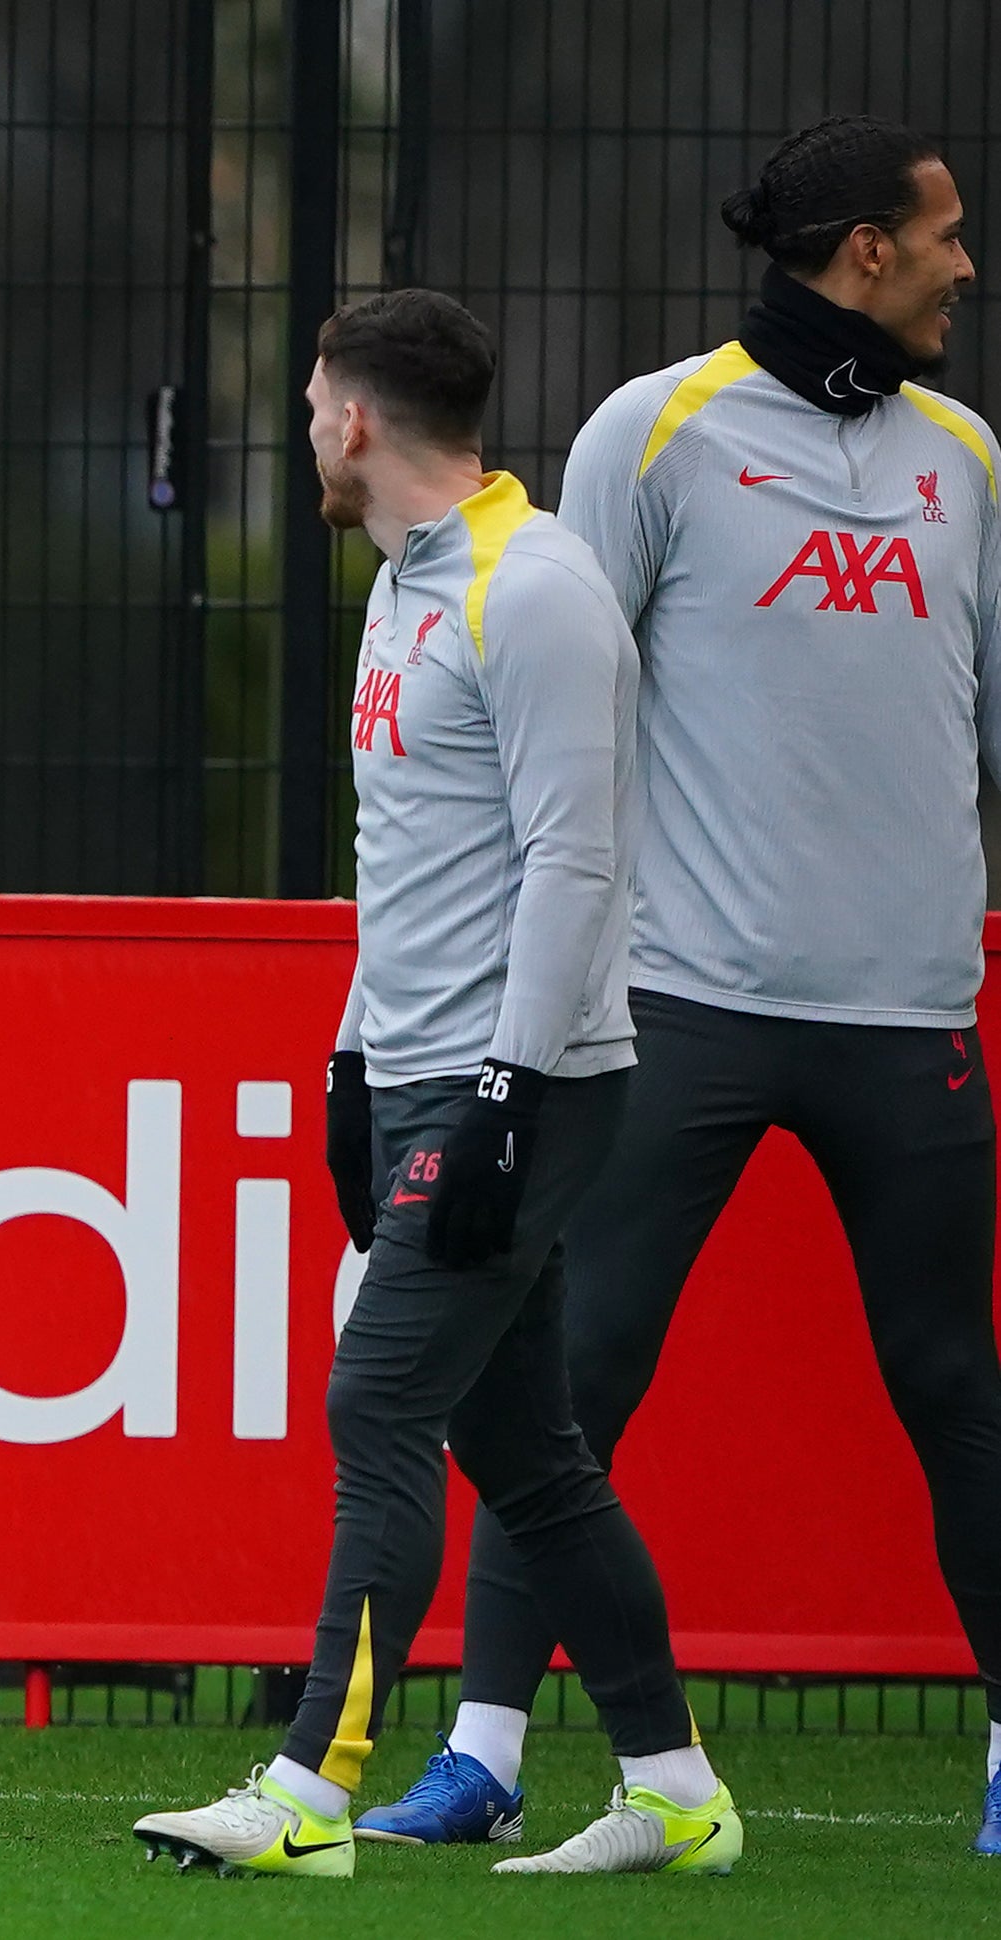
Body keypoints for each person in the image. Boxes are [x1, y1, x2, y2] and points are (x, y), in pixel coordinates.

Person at [370, 116, 1001, 1859]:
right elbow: (561, 709)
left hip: (912, 1022)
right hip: (681, 1011)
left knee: (954, 1384)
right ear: (861, 252)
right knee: (564, 1382)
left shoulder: (967, 456)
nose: (967, 262)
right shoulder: (650, 432)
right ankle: (485, 1753)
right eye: (944, 235)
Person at [130, 290, 741, 1878]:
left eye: (312, 408)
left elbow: (575, 864)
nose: (305, 439)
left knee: (373, 1399)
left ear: (348, 418)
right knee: (528, 1455)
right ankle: (675, 1790)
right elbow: (412, 865)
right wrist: (352, 1061)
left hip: (515, 1089)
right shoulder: (405, 586)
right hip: (421, 1078)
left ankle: (308, 1792)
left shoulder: (535, 591)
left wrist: (499, 1099)